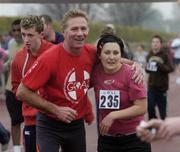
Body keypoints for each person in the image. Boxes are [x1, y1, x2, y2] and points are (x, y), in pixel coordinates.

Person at [16, 9, 143, 152]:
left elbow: (113, 59)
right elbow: (22, 92)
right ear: (64, 31)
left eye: (83, 28)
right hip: (49, 125)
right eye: (74, 29)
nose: (80, 33)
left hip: (76, 125)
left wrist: (134, 65)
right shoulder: (49, 58)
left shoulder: (91, 52)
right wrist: (56, 110)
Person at [91, 34, 151, 152]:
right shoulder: (95, 72)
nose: (111, 57)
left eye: (116, 53)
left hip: (135, 138)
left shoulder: (132, 74)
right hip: (107, 139)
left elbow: (141, 107)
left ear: (121, 55)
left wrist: (113, 115)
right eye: (107, 53)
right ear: (99, 55)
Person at [11, 15, 54, 152]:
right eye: (24, 35)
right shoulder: (18, 58)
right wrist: (31, 97)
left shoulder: (55, 52)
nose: (26, 39)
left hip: (53, 119)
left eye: (30, 35)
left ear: (41, 34)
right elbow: (15, 88)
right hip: (31, 121)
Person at [4, 19, 24, 152]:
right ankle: (16, 149)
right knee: (15, 121)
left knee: (31, 123)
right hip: (11, 89)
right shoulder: (10, 44)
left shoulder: (30, 44)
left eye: (19, 30)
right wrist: (6, 66)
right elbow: (10, 62)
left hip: (28, 90)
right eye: (14, 30)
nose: (16, 33)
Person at [145, 35, 174, 120]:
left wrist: (160, 65)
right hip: (151, 86)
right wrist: (147, 68)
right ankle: (152, 125)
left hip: (162, 87)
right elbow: (147, 70)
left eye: (157, 42)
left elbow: (171, 69)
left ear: (160, 44)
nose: (155, 44)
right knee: (150, 107)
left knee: (163, 113)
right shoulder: (149, 55)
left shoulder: (165, 55)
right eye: (153, 42)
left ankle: (164, 127)